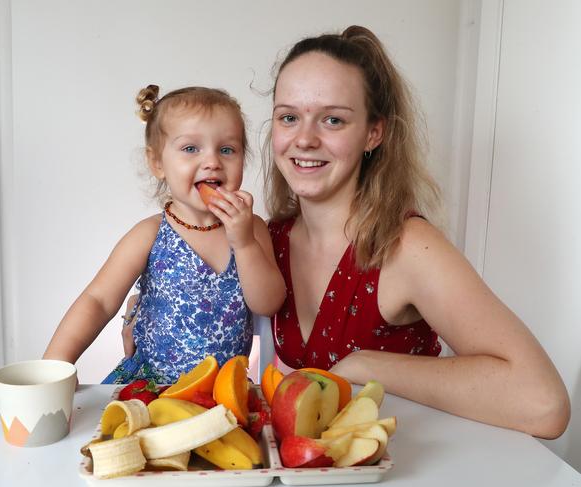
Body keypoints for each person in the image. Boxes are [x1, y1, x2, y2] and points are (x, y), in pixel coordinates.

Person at [261, 25, 570, 439]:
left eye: (333, 120)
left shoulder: (406, 247)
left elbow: (544, 404)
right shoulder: (268, 240)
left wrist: (369, 366)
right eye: (289, 117)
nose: (304, 138)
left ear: (374, 133)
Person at [43, 85, 286, 384]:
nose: (212, 161)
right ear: (158, 163)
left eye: (227, 149)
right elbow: (99, 300)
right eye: (190, 149)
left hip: (223, 394)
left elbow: (268, 304)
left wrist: (245, 243)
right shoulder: (149, 234)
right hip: (151, 387)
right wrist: (54, 368)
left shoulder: (253, 229)